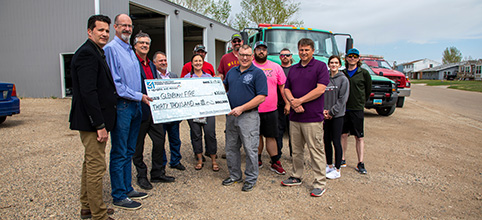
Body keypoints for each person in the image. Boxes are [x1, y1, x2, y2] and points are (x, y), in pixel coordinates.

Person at [69, 14, 116, 220]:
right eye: (100, 30)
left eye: (107, 30)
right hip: (92, 123)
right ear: (90, 32)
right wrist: (99, 124)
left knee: (90, 164)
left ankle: (88, 206)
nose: (105, 34)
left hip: (93, 121)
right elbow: (88, 93)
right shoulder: (88, 54)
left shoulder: (96, 52)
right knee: (97, 167)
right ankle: (99, 215)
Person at [104, 13, 151, 210]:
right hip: (123, 106)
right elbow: (117, 85)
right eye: (123, 25)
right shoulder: (111, 49)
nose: (126, 29)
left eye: (129, 26)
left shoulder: (130, 50)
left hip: (135, 106)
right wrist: (140, 96)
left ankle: (127, 187)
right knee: (120, 151)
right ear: (115, 27)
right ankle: (119, 195)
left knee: (130, 150)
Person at [281, 38, 330, 197]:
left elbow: (320, 89)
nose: (303, 52)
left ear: (312, 51)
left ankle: (319, 183)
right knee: (296, 150)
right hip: (295, 118)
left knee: (316, 150)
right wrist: (293, 103)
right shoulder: (294, 69)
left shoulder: (320, 67)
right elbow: (287, 89)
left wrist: (300, 101)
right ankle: (296, 176)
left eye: (307, 50)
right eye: (301, 50)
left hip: (312, 118)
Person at [132, 32, 175, 191]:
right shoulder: (132, 62)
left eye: (147, 43)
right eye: (141, 43)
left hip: (154, 111)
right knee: (138, 146)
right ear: (135, 45)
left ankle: (157, 173)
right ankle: (141, 175)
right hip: (139, 110)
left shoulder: (150, 64)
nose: (144, 45)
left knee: (159, 141)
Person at [222, 45, 267, 192]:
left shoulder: (258, 73)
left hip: (249, 116)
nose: (245, 58)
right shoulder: (231, 72)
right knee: (231, 148)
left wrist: (242, 108)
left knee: (250, 149)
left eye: (248, 55)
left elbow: (261, 97)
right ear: (237, 55)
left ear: (252, 56)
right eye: (242, 54)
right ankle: (235, 175)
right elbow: (224, 88)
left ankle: (251, 178)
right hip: (231, 116)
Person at [252, 41, 288, 175]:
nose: (261, 51)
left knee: (272, 136)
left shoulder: (276, 67)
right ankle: (257, 159)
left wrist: (288, 103)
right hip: (253, 109)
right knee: (257, 136)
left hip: (271, 109)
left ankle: (275, 162)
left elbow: (282, 87)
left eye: (264, 49)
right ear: (254, 51)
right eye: (258, 49)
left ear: (267, 52)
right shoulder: (249, 66)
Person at [184, 54, 219, 172]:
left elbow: (214, 92)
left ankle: (213, 159)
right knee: (196, 135)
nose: (198, 63)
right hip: (193, 112)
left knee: (210, 134)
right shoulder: (187, 78)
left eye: (200, 61)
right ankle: (199, 159)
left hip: (208, 110)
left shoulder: (208, 76)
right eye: (195, 61)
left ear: (203, 63)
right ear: (192, 63)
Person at [152, 51, 186, 171]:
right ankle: (162, 163)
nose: (163, 63)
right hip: (160, 115)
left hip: (173, 114)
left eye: (165, 60)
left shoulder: (173, 76)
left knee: (175, 139)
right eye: (160, 61)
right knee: (160, 141)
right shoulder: (152, 76)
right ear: (154, 62)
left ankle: (175, 161)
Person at [341, 48, 372, 174]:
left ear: (358, 59)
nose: (352, 58)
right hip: (343, 108)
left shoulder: (363, 73)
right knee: (343, 134)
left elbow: (368, 90)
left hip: (357, 108)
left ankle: (360, 162)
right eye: (350, 56)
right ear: (346, 58)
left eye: (355, 56)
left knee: (359, 136)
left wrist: (361, 102)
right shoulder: (342, 73)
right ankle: (342, 158)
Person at [323, 55, 350, 179]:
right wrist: (324, 111)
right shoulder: (324, 78)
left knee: (336, 141)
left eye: (336, 63)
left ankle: (337, 168)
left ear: (340, 65)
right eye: (331, 63)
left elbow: (342, 99)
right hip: (325, 115)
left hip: (337, 115)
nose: (333, 65)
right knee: (326, 140)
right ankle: (329, 165)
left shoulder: (343, 80)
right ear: (328, 64)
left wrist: (332, 112)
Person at [276, 48, 293, 158]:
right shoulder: (277, 69)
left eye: (287, 55)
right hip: (279, 105)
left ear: (291, 56)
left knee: (293, 133)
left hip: (293, 104)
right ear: (280, 57)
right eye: (282, 55)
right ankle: (277, 154)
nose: (285, 57)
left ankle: (294, 155)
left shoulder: (295, 70)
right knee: (278, 131)